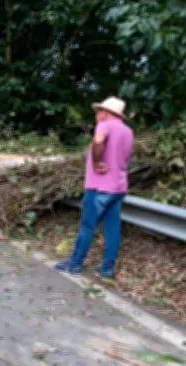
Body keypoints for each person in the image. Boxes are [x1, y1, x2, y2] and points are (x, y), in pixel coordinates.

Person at [54, 97, 133, 283]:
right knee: (113, 229)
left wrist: (97, 163)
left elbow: (98, 142)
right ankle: (107, 270)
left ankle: (74, 264)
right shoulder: (128, 131)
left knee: (88, 226)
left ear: (106, 112)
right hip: (119, 188)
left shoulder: (105, 125)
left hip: (100, 188)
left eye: (99, 111)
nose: (97, 115)